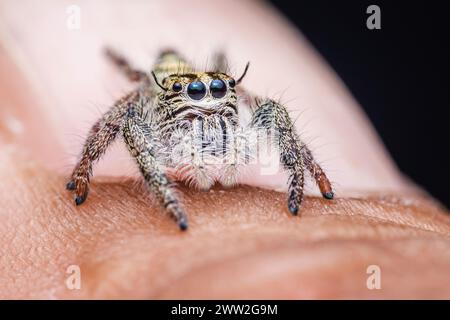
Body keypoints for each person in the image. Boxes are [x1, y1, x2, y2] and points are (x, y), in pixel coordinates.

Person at [0, 0, 449, 299]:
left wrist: (306, 174)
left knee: (272, 110)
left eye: (219, 90)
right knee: (131, 113)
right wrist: (86, 172)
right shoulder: (154, 101)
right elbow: (121, 118)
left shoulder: (234, 103)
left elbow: (269, 112)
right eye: (199, 91)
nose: (209, 98)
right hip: (158, 109)